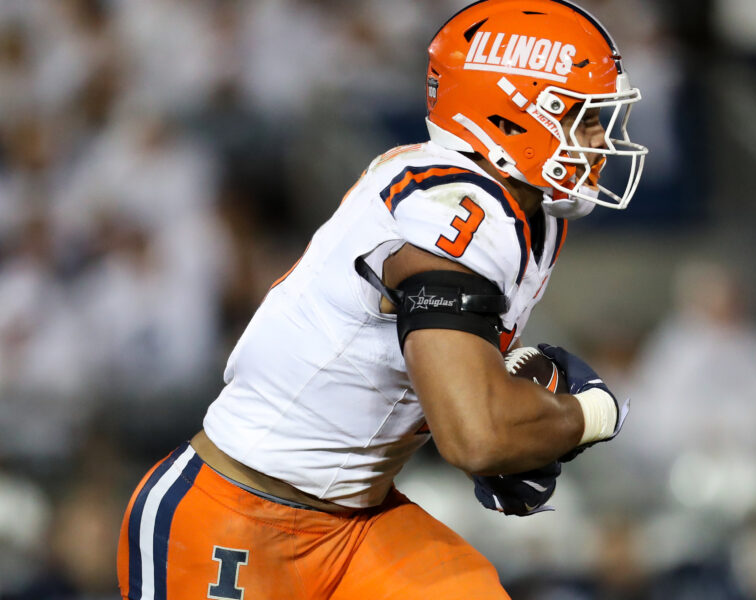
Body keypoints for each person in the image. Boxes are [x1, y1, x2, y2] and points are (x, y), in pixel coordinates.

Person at [115, 1, 647, 598]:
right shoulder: (455, 212)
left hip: (356, 522)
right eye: (581, 117)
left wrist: (517, 400)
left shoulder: (515, 210)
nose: (601, 139)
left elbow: (445, 377)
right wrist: (590, 417)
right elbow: (475, 434)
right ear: (512, 114)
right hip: (233, 516)